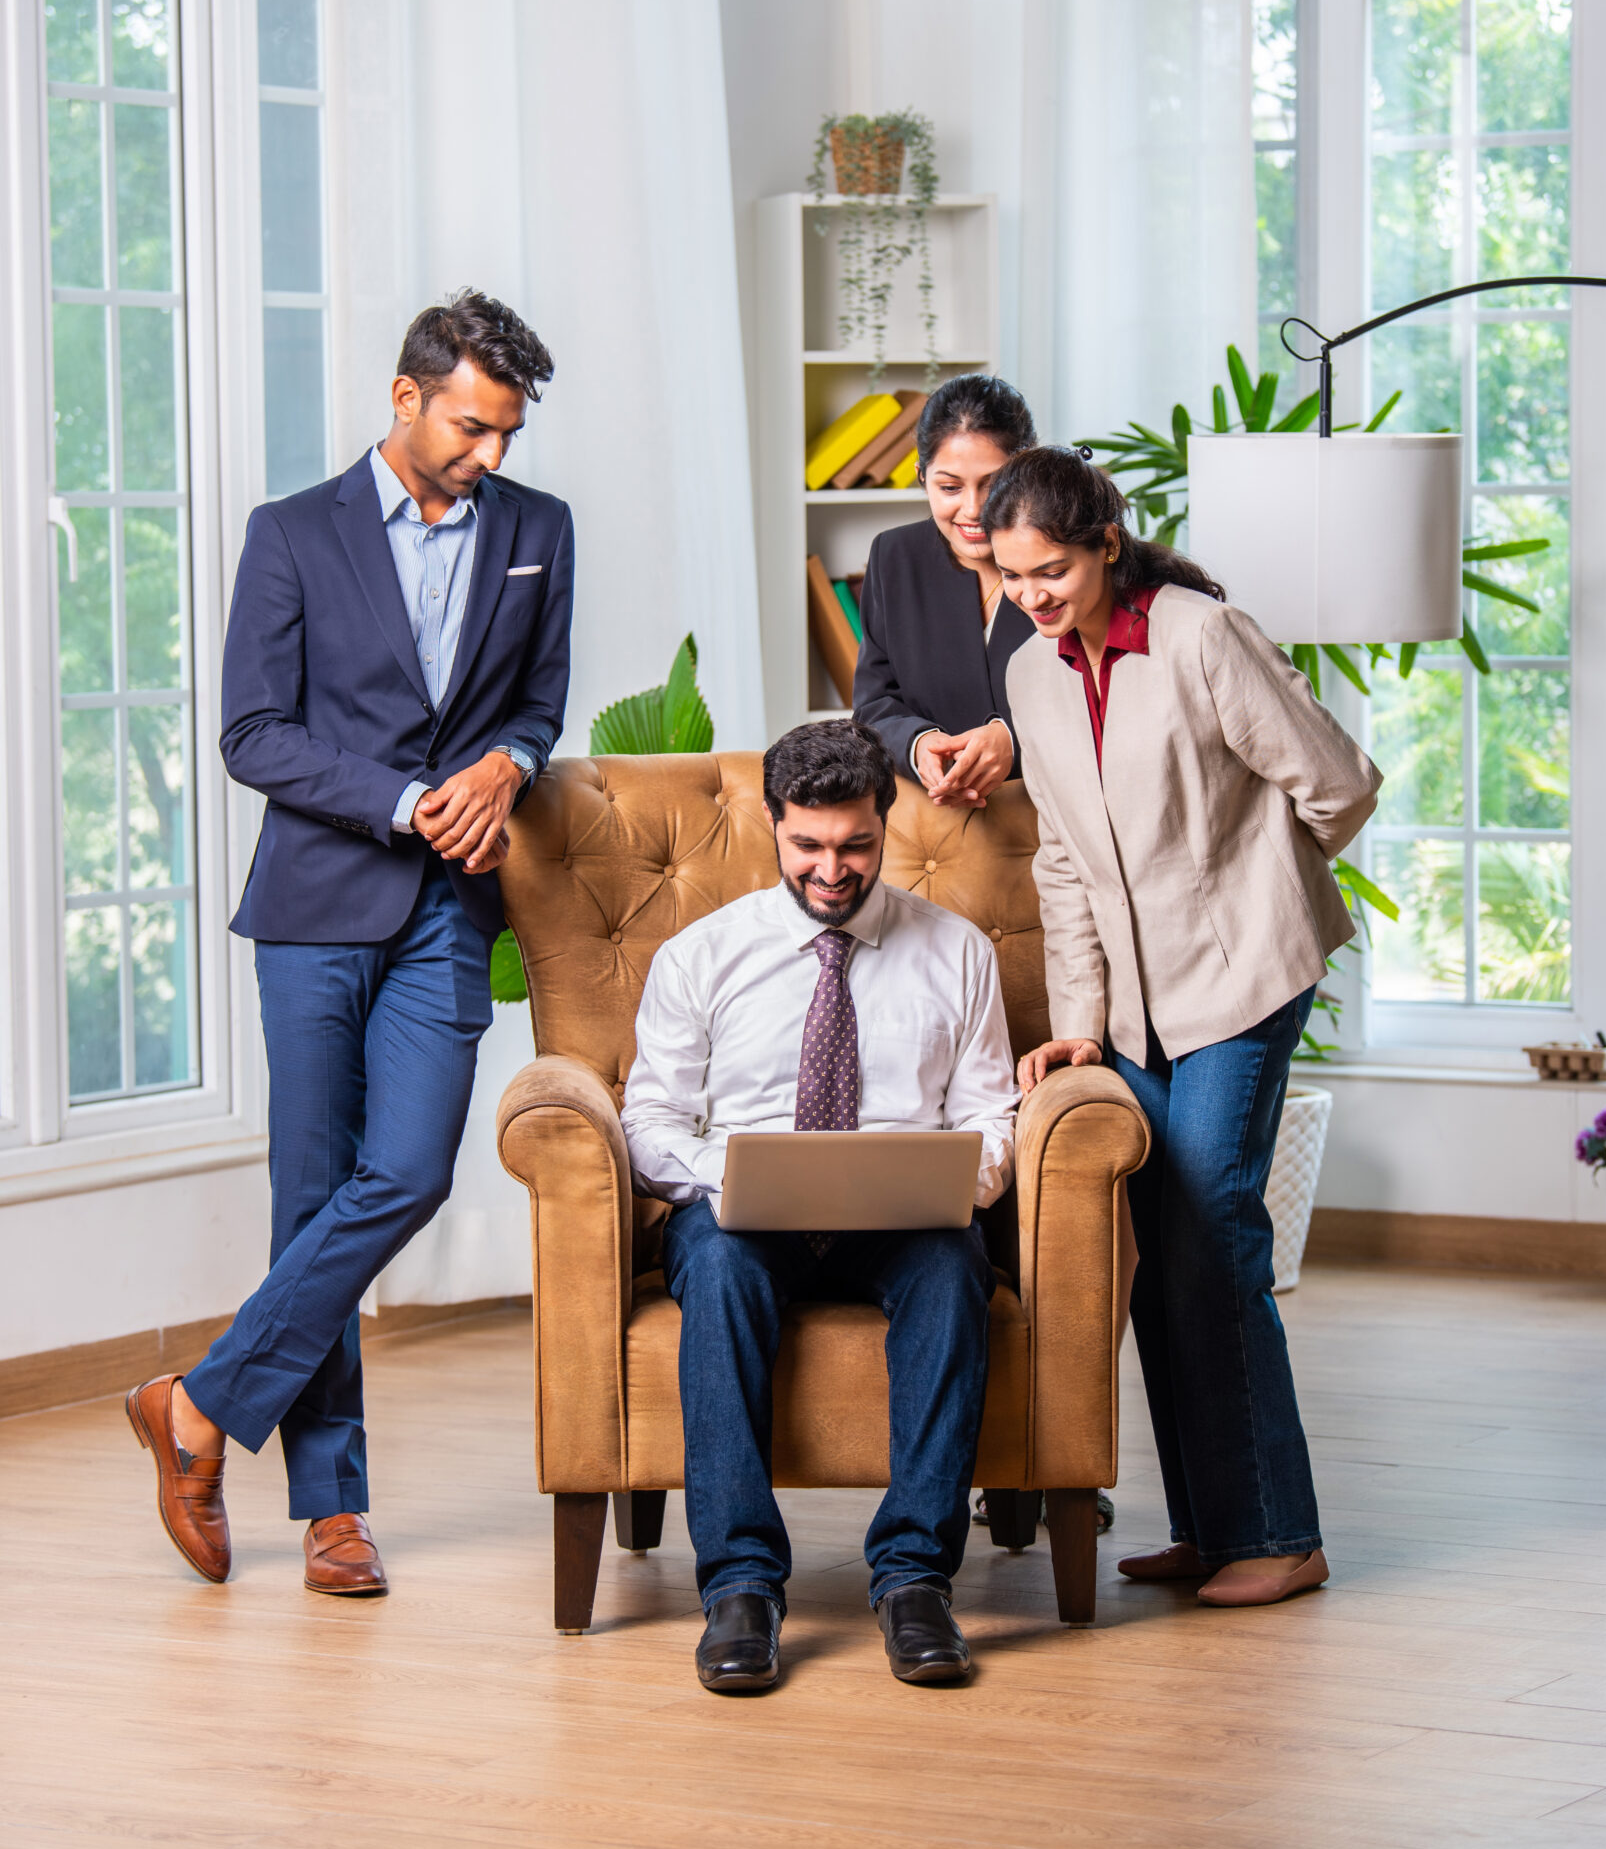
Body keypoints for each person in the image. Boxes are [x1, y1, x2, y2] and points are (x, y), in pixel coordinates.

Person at [127, 290, 572, 1597]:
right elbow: (251, 732)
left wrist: (507, 761)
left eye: (506, 435)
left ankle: (195, 1405)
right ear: (405, 395)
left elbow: (539, 702)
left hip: (449, 909)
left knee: (412, 1169)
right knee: (312, 1192)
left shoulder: (539, 532)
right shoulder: (291, 536)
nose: (489, 457)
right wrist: (397, 801)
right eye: (471, 427)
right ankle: (331, 1511)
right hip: (319, 901)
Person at [984, 446, 1381, 1610]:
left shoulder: (1198, 634)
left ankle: (1279, 1533)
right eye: (1012, 577)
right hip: (1137, 1012)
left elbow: (1338, 782)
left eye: (1049, 569)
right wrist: (1078, 1026)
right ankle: (1209, 1528)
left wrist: (1259, 882)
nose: (1032, 595)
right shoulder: (1030, 674)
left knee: (1211, 1220)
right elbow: (1060, 862)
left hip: (1245, 977)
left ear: (1105, 540)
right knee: (1157, 1248)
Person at [621, 719, 1018, 1694]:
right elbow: (649, 1117)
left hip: (902, 1220)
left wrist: (959, 1178)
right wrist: (726, 1179)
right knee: (715, 1261)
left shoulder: (956, 953)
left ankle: (915, 1578)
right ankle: (741, 1587)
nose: (831, 869)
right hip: (740, 1211)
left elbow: (989, 1111)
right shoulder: (701, 956)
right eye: (807, 845)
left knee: (953, 1263)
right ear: (772, 823)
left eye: (854, 845)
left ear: (885, 823)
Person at [852, 372, 1036, 811]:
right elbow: (874, 703)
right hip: (936, 821)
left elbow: (1110, 699)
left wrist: (1015, 739)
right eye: (950, 487)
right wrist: (918, 745)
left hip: (1056, 817)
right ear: (922, 477)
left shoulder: (1070, 560)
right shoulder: (893, 556)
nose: (973, 510)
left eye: (993, 485)